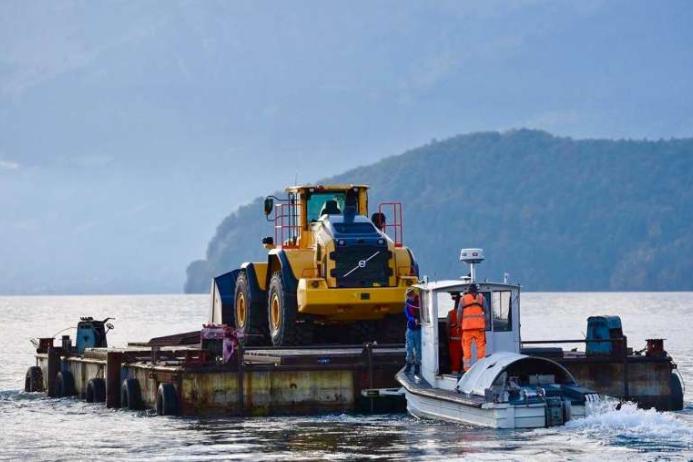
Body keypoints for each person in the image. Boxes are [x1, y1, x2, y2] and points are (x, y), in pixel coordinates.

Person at [459, 283, 486, 371]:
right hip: (480, 328)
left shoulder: (463, 299)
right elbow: (487, 312)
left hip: (467, 328)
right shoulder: (482, 298)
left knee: (466, 347)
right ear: (477, 291)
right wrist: (487, 324)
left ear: (468, 291)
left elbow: (459, 313)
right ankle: (481, 366)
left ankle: (467, 368)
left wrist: (459, 324)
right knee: (481, 347)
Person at [403, 288, 422, 375]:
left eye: (412, 295)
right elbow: (408, 315)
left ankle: (417, 365)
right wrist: (413, 319)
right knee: (409, 348)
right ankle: (409, 363)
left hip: (418, 329)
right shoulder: (407, 305)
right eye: (409, 295)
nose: (411, 297)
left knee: (418, 348)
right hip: (410, 329)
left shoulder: (420, 302)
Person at [447, 295, 462, 374]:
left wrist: (448, 337)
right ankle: (464, 372)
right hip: (464, 340)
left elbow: (447, 326)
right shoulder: (465, 313)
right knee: (464, 358)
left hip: (454, 340)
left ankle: (454, 373)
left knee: (455, 358)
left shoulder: (450, 313)